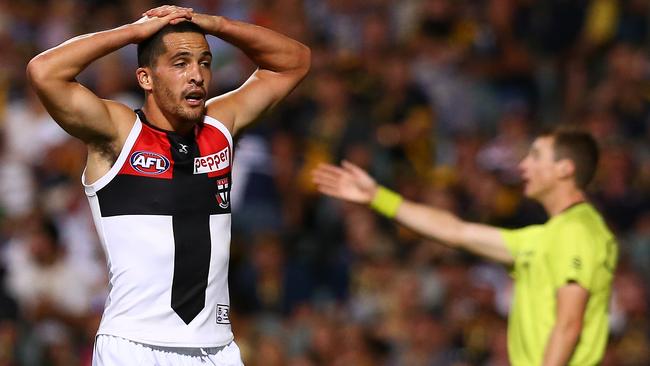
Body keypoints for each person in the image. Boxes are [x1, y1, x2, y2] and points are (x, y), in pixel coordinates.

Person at [27, 5, 310, 365]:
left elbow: (295, 61)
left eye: (204, 63)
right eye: (180, 63)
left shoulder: (220, 126)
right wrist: (133, 32)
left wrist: (214, 24)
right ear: (145, 78)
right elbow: (44, 71)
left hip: (217, 349)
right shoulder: (118, 133)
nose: (197, 75)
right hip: (134, 346)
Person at [312, 129, 618, 366]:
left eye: (536, 156)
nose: (524, 164)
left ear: (564, 168)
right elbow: (455, 231)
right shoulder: (542, 237)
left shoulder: (576, 230)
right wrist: (378, 196)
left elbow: (569, 323)